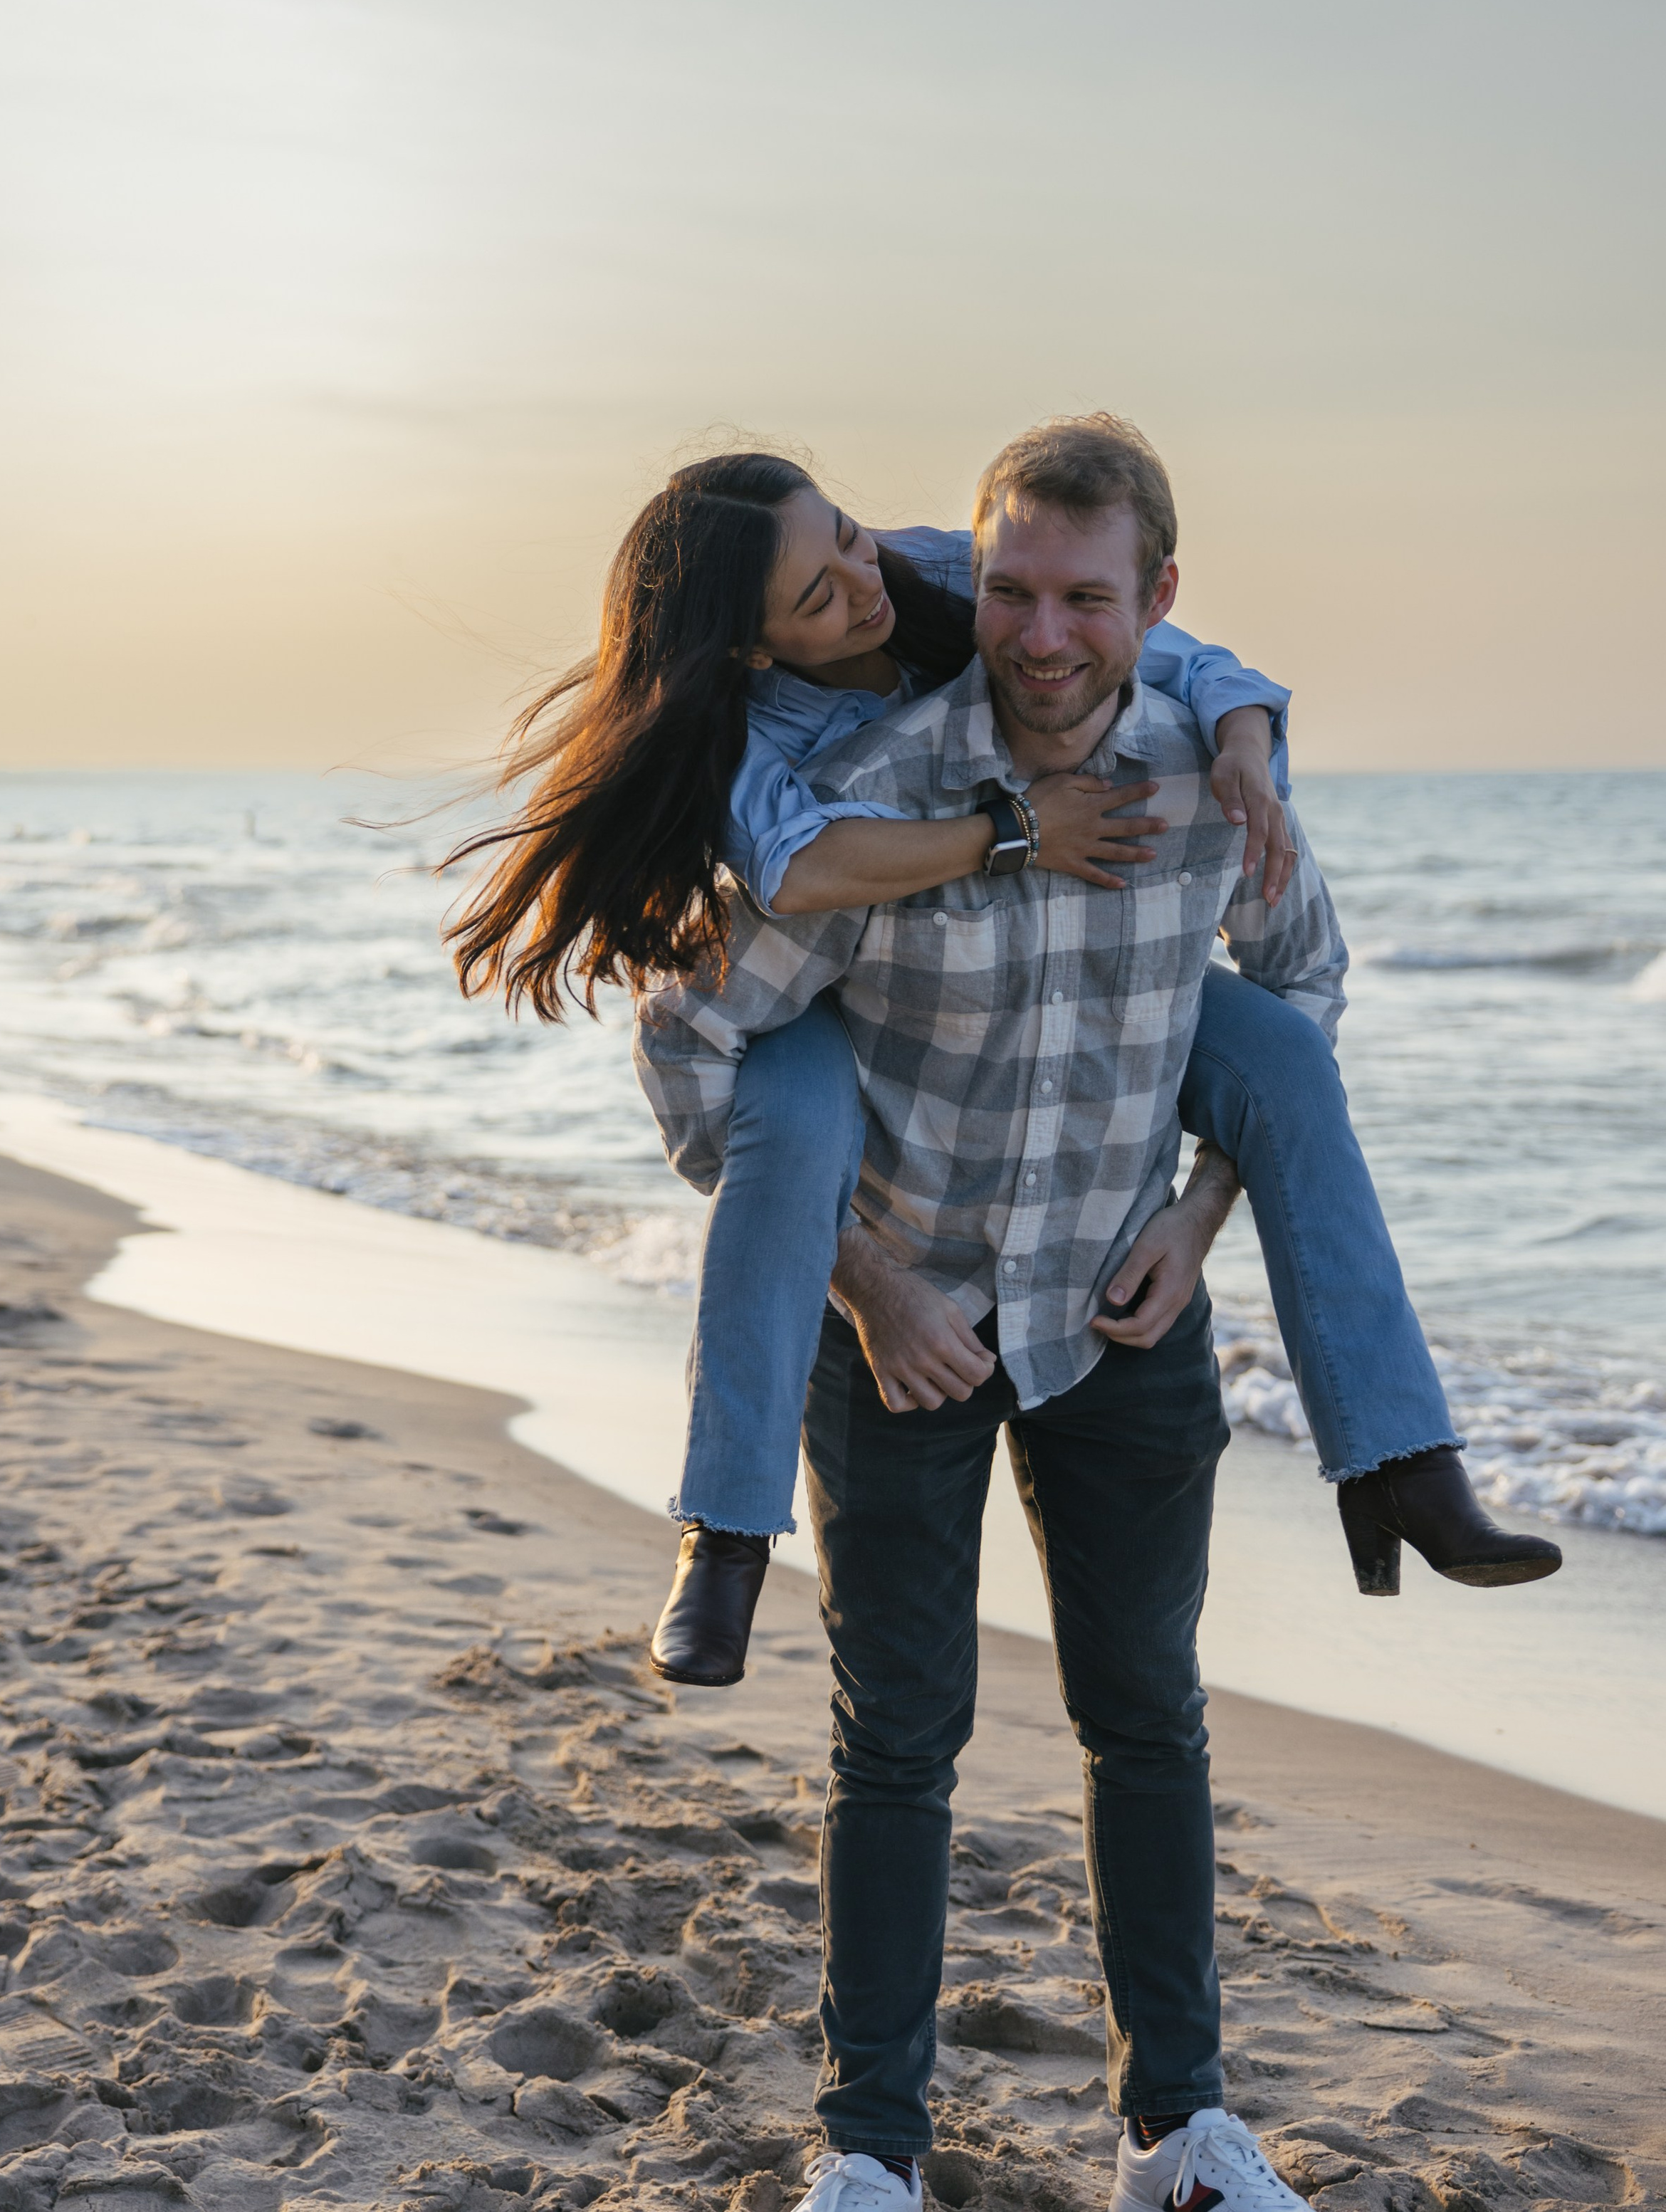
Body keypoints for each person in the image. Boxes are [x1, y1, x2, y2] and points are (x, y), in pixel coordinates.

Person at [630, 416, 1555, 2212]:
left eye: (1083, 596)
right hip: (901, 1326)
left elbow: (1303, 988)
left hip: (1119, 1320)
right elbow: (693, 1038)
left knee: (1148, 1715)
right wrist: (865, 1277)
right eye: (1009, 591)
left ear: (1157, 602)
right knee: (897, 1740)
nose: (1042, 635)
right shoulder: (881, 787)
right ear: (967, 584)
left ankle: (1176, 2137)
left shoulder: (1222, 784)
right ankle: (871, 2159)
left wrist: (1200, 1224)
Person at [446, 441, 1555, 1687]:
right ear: (755, 648)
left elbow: (1150, 634)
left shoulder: (950, 576)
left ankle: (1403, 1459)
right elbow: (795, 883)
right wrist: (1015, 833)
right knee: (797, 1128)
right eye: (818, 595)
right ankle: (727, 1530)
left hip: (1094, 1196)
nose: (865, 586)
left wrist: (1245, 726)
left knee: (1287, 1055)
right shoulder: (770, 746)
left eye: (851, 539)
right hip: (844, 1006)